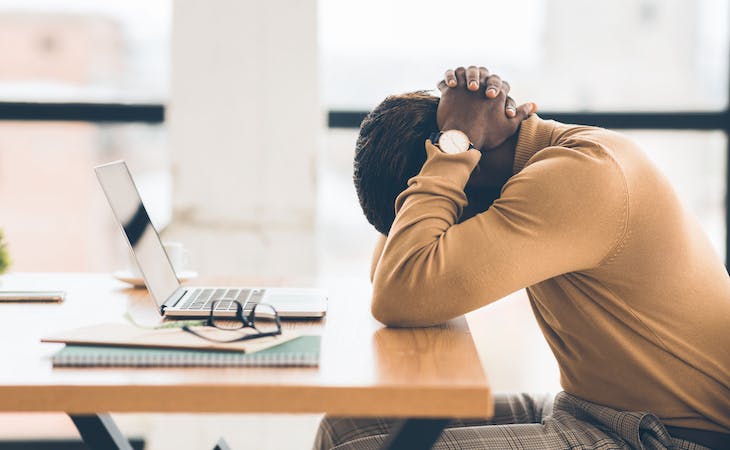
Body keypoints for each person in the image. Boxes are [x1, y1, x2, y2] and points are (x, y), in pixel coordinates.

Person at [314, 66, 730, 449]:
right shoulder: (529, 166)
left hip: (665, 436)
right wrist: (456, 140)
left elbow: (399, 293)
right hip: (592, 409)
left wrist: (455, 141)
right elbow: (388, 273)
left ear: (465, 172)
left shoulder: (577, 174)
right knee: (345, 427)